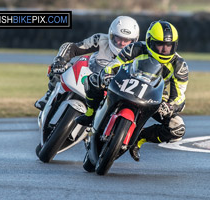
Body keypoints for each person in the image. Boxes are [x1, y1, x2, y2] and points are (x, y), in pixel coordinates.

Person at [76, 20, 189, 162]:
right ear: (149, 41)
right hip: (126, 83)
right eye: (159, 44)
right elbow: (115, 64)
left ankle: (139, 139)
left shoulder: (179, 65)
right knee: (94, 80)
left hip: (154, 96)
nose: (163, 50)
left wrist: (170, 106)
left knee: (177, 128)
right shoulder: (136, 48)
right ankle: (90, 113)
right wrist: (107, 75)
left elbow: (180, 95)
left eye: (168, 46)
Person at [34, 16, 140, 110]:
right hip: (90, 74)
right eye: (118, 38)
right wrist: (60, 60)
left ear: (133, 41)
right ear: (111, 35)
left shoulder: (138, 54)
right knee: (62, 68)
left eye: (126, 40)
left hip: (113, 88)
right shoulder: (100, 39)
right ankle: (49, 95)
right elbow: (72, 48)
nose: (121, 43)